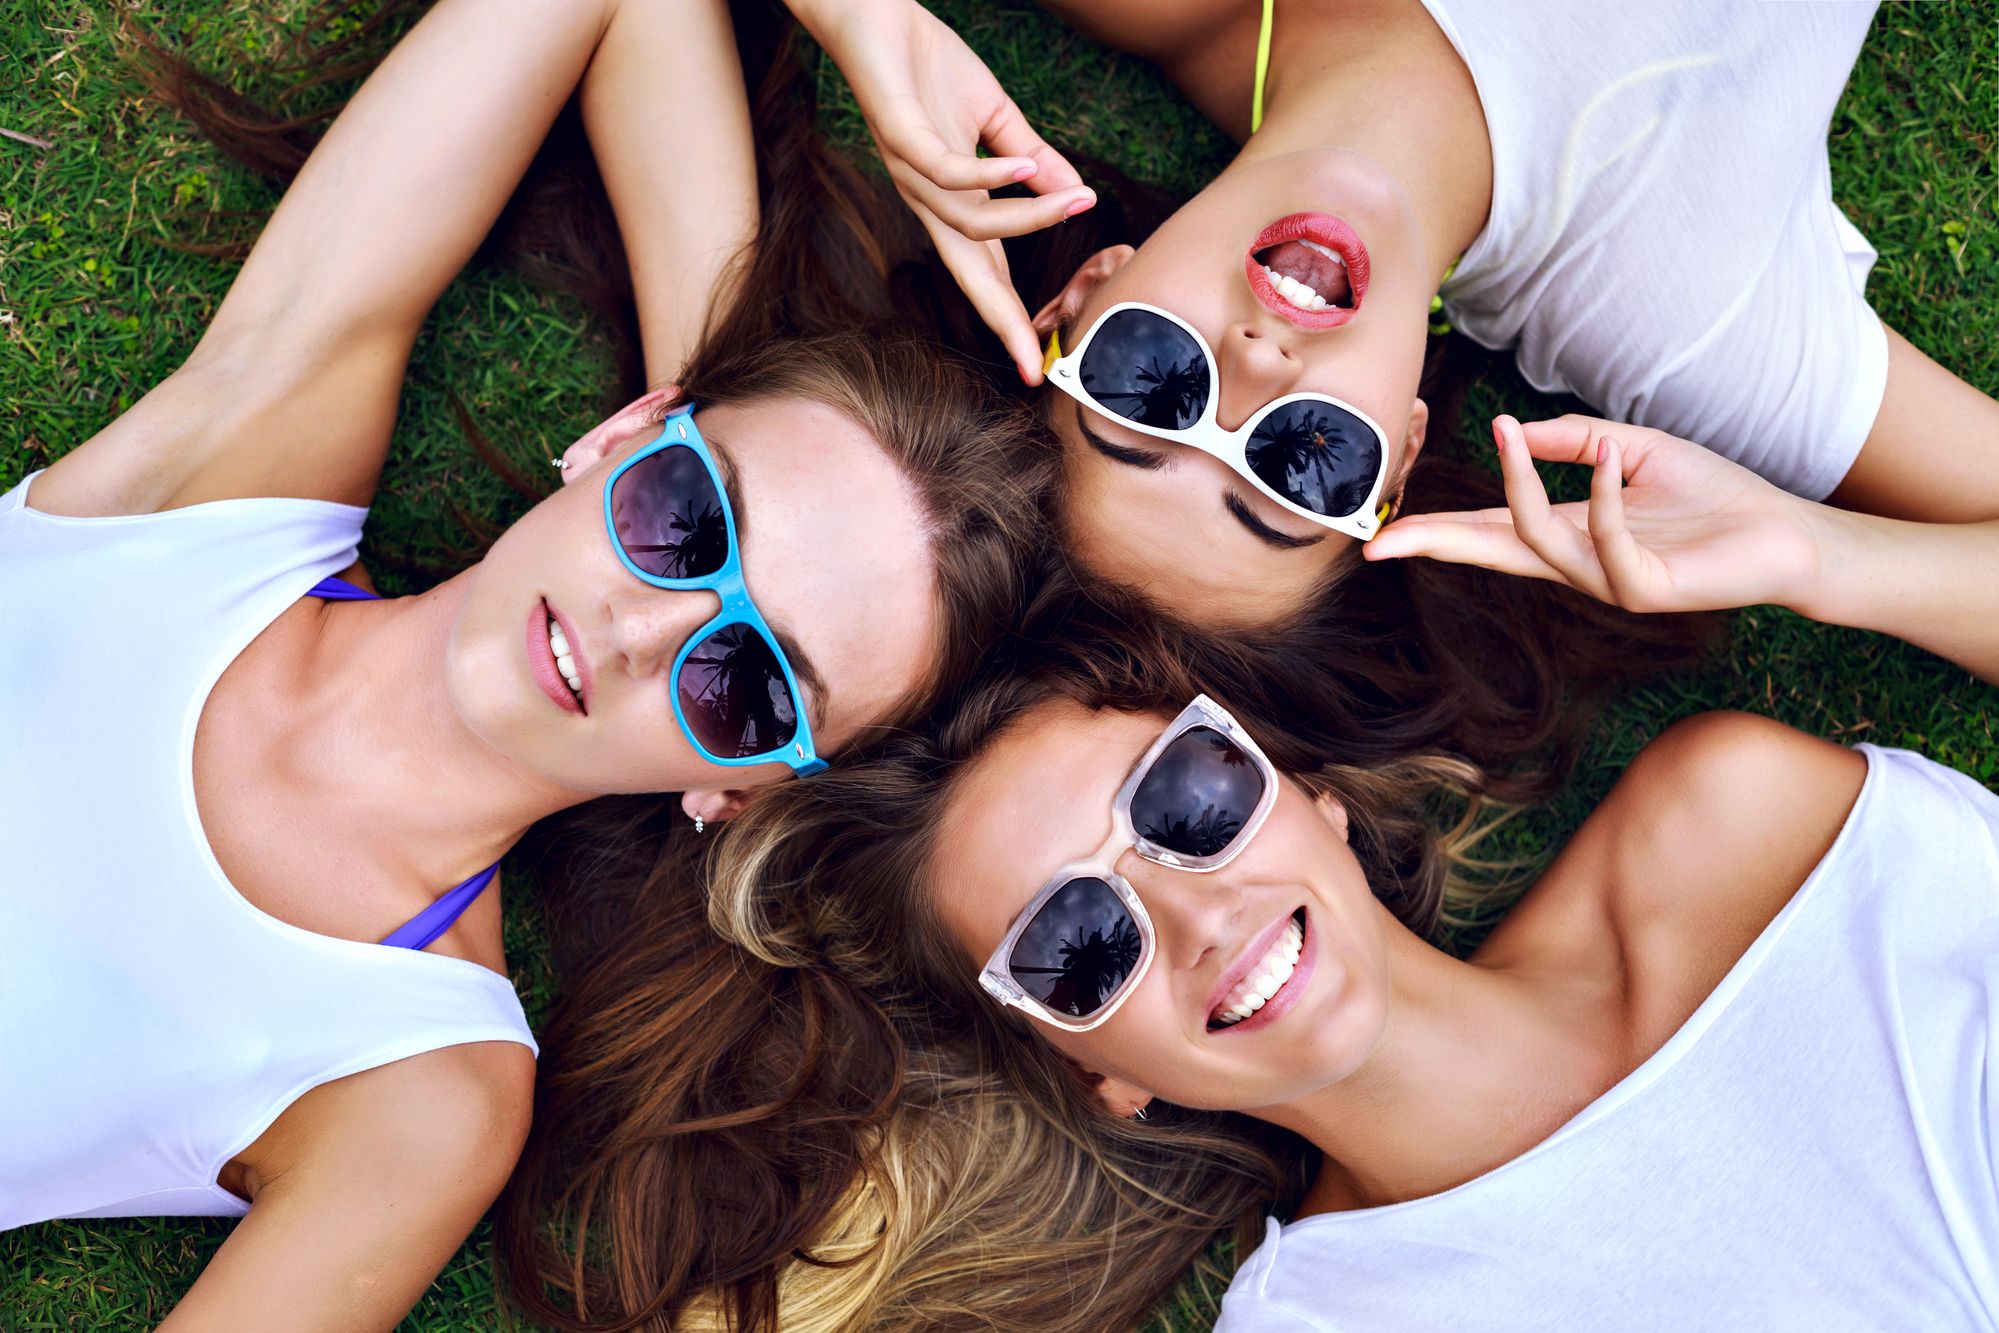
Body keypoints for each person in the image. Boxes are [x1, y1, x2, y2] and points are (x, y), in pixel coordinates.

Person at [0, 0, 1050, 1323]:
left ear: (743, 790)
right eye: (682, 519)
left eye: (749, 681)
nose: (641, 627)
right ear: (620, 438)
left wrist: (706, 448)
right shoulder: (227, 490)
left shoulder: (410, 1087)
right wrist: (864, 21)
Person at [602, 416, 1999, 1331]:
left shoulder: (1744, 839)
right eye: (1080, 943)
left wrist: (1825, 559)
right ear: (1101, 1074)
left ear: (1307, 796)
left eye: (1187, 800)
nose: (1193, 915)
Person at [795, 0, 1999, 632]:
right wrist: (1813, 558)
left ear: (1087, 290)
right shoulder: (1675, 316)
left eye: (1151, 384)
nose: (1258, 361)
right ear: (1407, 447)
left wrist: (853, 12)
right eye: (1306, 464)